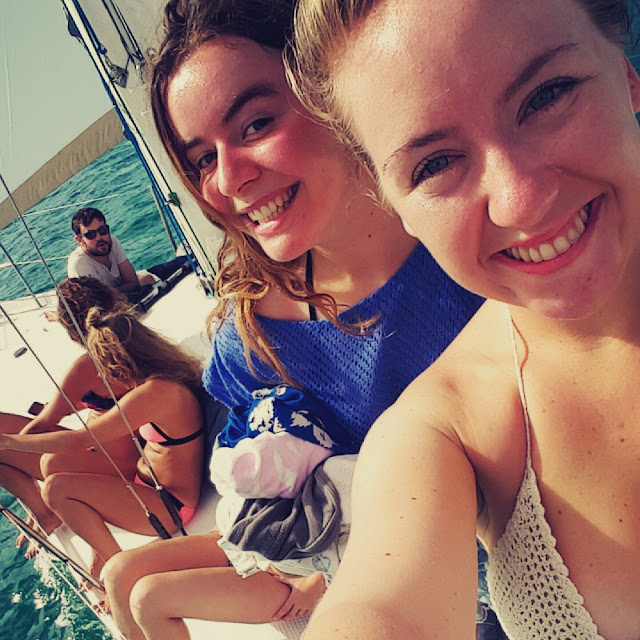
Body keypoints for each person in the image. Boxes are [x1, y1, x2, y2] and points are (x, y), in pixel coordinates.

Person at [100, 0, 485, 638]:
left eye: (255, 123)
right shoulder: (252, 340)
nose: (228, 179)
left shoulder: (474, 236)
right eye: (202, 160)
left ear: (328, 87)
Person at [287, 0, 640, 638]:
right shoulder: (441, 431)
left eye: (547, 95)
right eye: (435, 164)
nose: (519, 199)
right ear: (395, 206)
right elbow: (380, 607)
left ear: (626, 73)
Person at [0, 276, 205, 585]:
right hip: (149, 485)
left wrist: (7, 442)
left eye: (108, 365)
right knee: (53, 472)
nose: (108, 376)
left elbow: (79, 439)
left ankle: (119, 572)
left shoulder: (155, 394)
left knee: (56, 489)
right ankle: (105, 556)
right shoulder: (160, 382)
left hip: (171, 507)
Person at [67, 207, 190, 304]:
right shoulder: (79, 265)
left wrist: (118, 290)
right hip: (114, 307)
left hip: (124, 293)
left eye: (102, 230)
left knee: (183, 262)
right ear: (79, 240)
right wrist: (126, 288)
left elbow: (132, 281)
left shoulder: (111, 241)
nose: (99, 237)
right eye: (90, 235)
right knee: (149, 285)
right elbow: (101, 304)